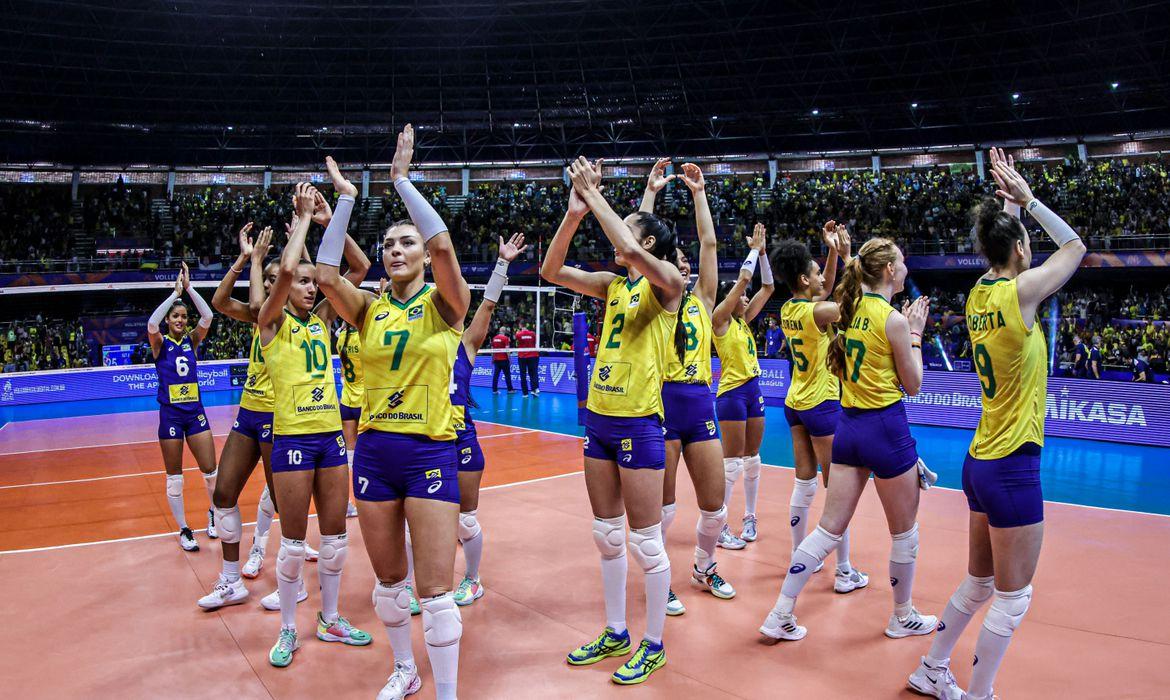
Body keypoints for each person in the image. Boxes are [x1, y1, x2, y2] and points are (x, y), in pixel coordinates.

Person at [907, 148, 1086, 700]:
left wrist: (1008, 213)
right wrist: (1029, 202)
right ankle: (980, 695)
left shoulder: (979, 292)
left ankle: (932, 667)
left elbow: (1010, 257)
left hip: (980, 460)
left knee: (980, 582)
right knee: (1013, 597)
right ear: (1021, 248)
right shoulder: (1022, 292)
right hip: (1012, 464)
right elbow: (1076, 247)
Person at [314, 129, 469, 700]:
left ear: (422, 253)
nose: (395, 251)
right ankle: (404, 669)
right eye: (388, 245)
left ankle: (446, 690)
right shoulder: (369, 310)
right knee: (387, 583)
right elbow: (327, 276)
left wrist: (402, 183)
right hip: (376, 452)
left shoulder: (446, 306)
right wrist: (349, 199)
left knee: (436, 591)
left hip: (429, 449)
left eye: (407, 242)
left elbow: (447, 248)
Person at [542, 156, 685, 686]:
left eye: (630, 228)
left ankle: (654, 644)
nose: (618, 236)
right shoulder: (614, 285)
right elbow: (552, 272)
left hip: (640, 423)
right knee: (606, 534)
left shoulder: (668, 285)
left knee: (646, 541)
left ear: (648, 244)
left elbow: (628, 247)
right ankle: (617, 631)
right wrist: (575, 213)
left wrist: (595, 193)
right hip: (600, 421)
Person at [760, 236, 936, 643]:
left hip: (849, 428)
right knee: (905, 534)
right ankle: (902, 616)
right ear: (890, 270)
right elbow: (913, 385)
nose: (906, 265)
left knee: (826, 530)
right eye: (902, 260)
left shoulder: (848, 312)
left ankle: (780, 612)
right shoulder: (890, 318)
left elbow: (840, 291)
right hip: (886, 429)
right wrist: (915, 333)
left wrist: (841, 253)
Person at [258, 182, 370, 668]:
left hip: (329, 438)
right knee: (293, 545)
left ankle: (329, 618)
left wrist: (331, 222)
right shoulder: (270, 322)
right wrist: (302, 217)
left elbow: (362, 269)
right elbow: (283, 269)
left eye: (312, 282)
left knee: (336, 539)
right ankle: (287, 629)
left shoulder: (324, 319)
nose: (308, 286)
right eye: (302, 282)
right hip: (293, 440)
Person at [640, 159, 735, 616]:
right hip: (662, 401)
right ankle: (662, 580)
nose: (681, 264)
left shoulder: (700, 301)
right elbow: (638, 247)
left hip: (700, 402)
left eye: (684, 261)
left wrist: (699, 193)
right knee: (664, 508)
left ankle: (704, 565)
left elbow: (709, 242)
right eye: (672, 261)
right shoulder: (656, 300)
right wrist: (651, 194)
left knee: (715, 507)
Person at [772, 222, 868, 594]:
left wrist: (827, 253)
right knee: (837, 490)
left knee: (804, 483)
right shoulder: (819, 313)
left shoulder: (789, 310)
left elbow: (824, 290)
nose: (819, 276)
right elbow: (851, 303)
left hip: (794, 403)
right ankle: (843, 572)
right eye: (814, 269)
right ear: (803, 278)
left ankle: (801, 554)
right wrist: (848, 257)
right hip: (822, 404)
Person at [452, 232, 528, 607]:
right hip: (421, 442)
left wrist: (502, 264)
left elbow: (487, 307)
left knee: (465, 521)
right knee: (415, 523)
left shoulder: (464, 343)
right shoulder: (412, 340)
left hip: (460, 439)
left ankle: (472, 578)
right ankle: (407, 584)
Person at [711, 223, 774, 549]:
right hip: (732, 395)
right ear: (729, 299)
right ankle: (718, 525)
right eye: (740, 297)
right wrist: (752, 248)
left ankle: (750, 517)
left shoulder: (742, 320)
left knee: (753, 459)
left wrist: (762, 254)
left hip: (753, 391)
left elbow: (767, 286)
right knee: (731, 463)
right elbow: (745, 282)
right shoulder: (720, 319)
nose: (746, 298)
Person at [148, 262, 217, 552]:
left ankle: (213, 514)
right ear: (169, 319)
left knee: (211, 471)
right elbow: (152, 323)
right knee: (175, 477)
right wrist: (173, 294)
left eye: (183, 316)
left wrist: (189, 289)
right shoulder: (159, 343)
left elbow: (209, 315)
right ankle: (184, 528)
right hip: (171, 415)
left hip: (195, 412)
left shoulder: (192, 340)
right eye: (175, 316)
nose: (180, 319)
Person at [515, 323, 539, 396]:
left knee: (523, 375)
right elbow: (535, 343)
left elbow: (516, 342)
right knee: (533, 373)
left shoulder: (518, 334)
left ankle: (525, 393)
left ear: (520, 326)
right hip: (532, 356)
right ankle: (534, 389)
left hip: (522, 357)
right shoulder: (533, 334)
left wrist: (518, 332)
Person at [491, 327, 513, 393]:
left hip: (496, 360)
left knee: (496, 375)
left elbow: (492, 350)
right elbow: (507, 350)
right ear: (505, 331)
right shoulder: (505, 338)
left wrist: (492, 359)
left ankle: (494, 390)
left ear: (500, 331)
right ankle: (510, 390)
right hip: (504, 360)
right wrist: (509, 359)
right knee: (507, 375)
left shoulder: (494, 338)